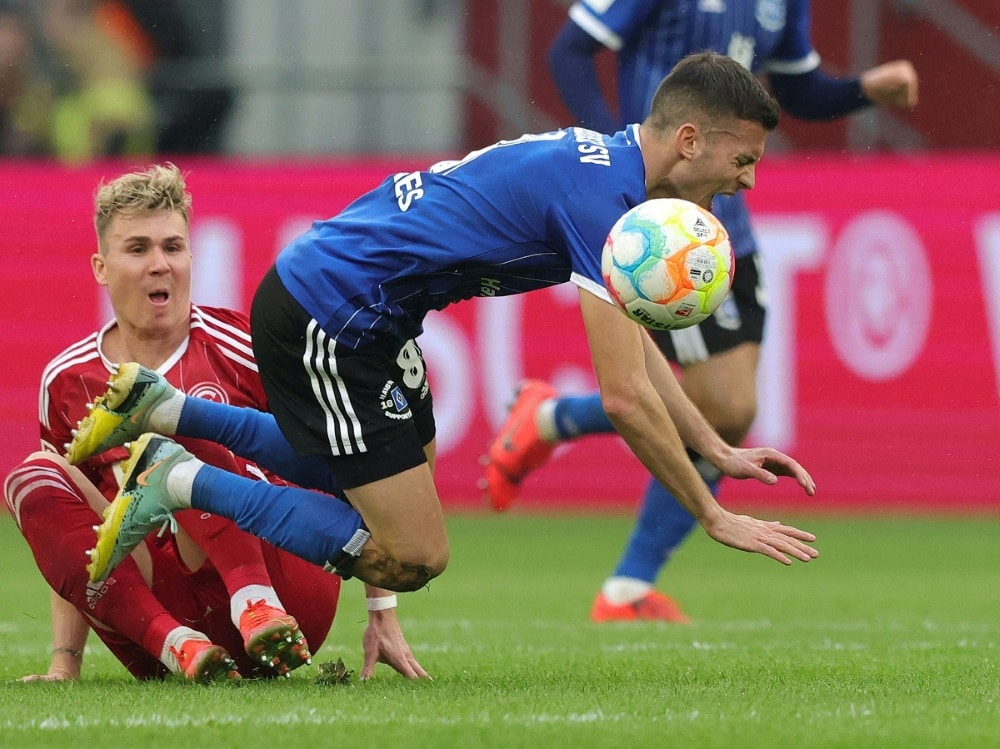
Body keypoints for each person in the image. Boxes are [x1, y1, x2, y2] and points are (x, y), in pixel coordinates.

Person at [81, 53, 821, 604]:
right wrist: (712, 512)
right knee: (413, 555)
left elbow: (637, 352)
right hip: (333, 309)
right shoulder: (607, 202)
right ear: (691, 140)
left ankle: (169, 410)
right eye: (744, 159)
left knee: (406, 458)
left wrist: (714, 445)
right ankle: (177, 478)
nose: (748, 181)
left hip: (370, 306)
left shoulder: (609, 174)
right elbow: (624, 395)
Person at [480, 0, 920, 623]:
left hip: (724, 233)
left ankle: (551, 421)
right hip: (662, 236)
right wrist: (616, 172)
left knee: (731, 412)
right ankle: (627, 585)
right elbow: (569, 51)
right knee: (724, 408)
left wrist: (863, 90)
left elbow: (795, 89)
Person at [3, 163, 426, 682]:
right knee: (33, 477)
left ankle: (254, 602)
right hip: (164, 614)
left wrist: (381, 611)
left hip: (287, 593)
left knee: (174, 427)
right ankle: (177, 645)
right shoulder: (66, 380)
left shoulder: (247, 346)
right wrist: (64, 662)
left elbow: (346, 459)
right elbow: (67, 536)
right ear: (100, 266)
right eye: (138, 249)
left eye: (173, 247)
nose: (160, 265)